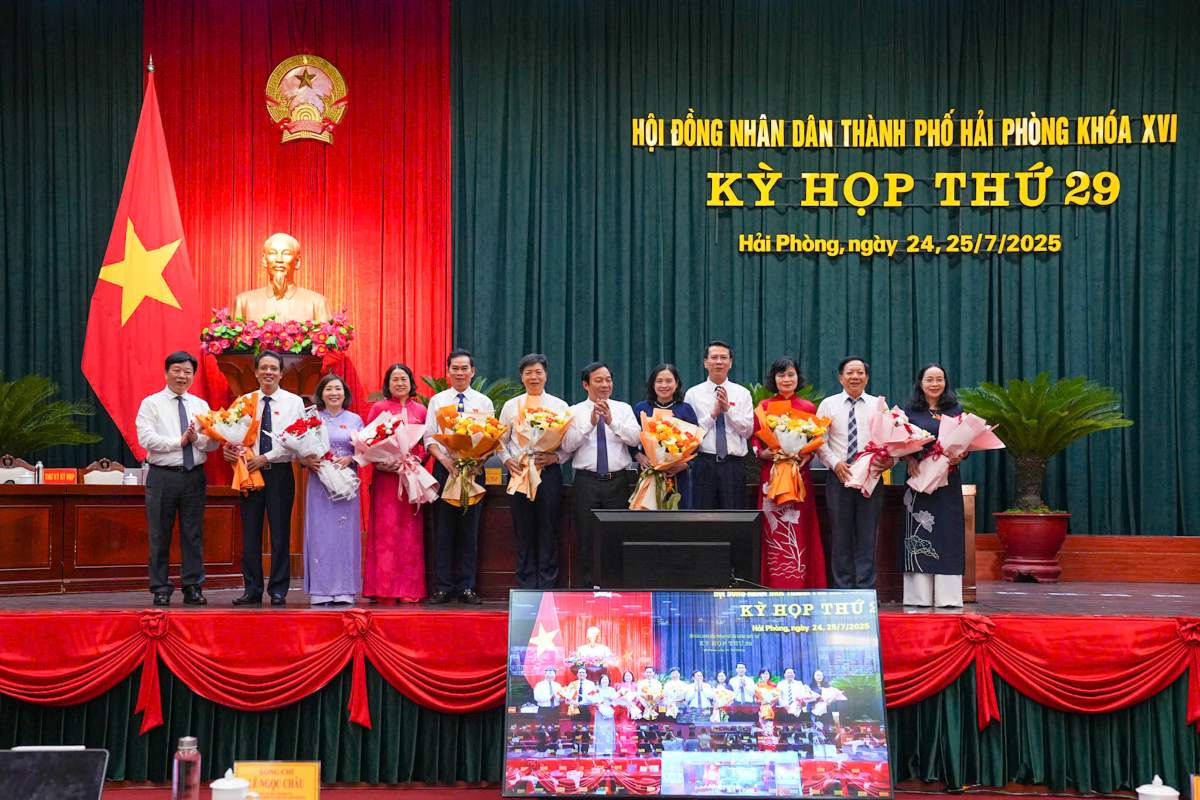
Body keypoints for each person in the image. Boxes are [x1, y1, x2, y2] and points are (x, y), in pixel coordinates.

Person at [135, 351, 218, 606]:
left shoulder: (201, 406)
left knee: (193, 534)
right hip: (163, 476)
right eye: (177, 370)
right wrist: (178, 442)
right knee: (159, 534)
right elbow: (146, 439)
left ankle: (193, 587)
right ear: (166, 372)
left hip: (194, 476)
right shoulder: (151, 403)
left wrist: (197, 439)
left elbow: (213, 442)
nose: (182, 376)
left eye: (187, 372)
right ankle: (160, 587)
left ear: (193, 375)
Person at [228, 350, 305, 606]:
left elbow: (297, 440)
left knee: (280, 534)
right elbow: (231, 434)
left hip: (280, 474)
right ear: (256, 372)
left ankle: (279, 590)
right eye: (264, 368)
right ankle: (251, 590)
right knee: (250, 534)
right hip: (249, 473)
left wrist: (266, 457)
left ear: (281, 373)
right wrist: (230, 450)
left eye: (274, 368)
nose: (268, 372)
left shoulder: (294, 402)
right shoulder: (244, 401)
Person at [816, 356, 894, 589]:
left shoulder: (879, 405)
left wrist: (889, 460)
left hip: (870, 477)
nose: (855, 377)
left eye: (860, 372)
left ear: (867, 378)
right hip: (839, 476)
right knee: (840, 534)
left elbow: (892, 439)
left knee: (867, 534)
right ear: (841, 377)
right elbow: (819, 439)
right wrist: (835, 463)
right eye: (850, 372)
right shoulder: (828, 405)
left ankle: (865, 589)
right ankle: (843, 588)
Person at [423, 348, 494, 604]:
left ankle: (467, 587)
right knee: (444, 530)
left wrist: (478, 461)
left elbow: (491, 438)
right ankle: (443, 587)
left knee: (469, 531)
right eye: (455, 368)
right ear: (448, 371)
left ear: (473, 371)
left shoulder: (484, 402)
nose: (460, 373)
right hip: (445, 470)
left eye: (465, 368)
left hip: (473, 471)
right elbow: (429, 438)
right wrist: (445, 460)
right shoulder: (438, 401)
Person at [561, 362, 640, 587]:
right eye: (598, 380)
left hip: (618, 481)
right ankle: (587, 588)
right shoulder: (574, 411)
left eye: (608, 380)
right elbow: (567, 445)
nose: (605, 384)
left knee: (616, 536)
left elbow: (635, 439)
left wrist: (612, 421)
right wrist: (590, 423)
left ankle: (615, 585)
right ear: (586, 385)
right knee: (586, 537)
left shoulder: (623, 409)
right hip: (586, 482)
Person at [753, 356, 828, 588]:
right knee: (771, 526)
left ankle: (802, 582)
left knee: (800, 526)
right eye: (781, 375)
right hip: (772, 474)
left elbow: (815, 443)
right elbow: (755, 440)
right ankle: (772, 582)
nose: (786, 379)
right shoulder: (764, 407)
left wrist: (807, 455)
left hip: (799, 475)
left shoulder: (808, 408)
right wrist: (763, 453)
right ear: (773, 379)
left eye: (790, 374)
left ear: (798, 377)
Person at [500, 354, 570, 589]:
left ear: (546, 375)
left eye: (538, 372)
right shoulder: (511, 406)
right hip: (519, 472)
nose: (534, 377)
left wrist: (556, 457)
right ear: (522, 377)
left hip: (547, 472)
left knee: (549, 527)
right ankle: (526, 582)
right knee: (523, 528)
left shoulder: (559, 406)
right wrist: (507, 460)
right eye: (528, 373)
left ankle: (548, 582)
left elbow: (569, 443)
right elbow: (500, 440)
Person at [901, 363, 966, 607]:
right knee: (918, 531)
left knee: (948, 532)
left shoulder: (956, 410)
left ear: (945, 382)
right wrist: (908, 458)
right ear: (920, 383)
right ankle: (918, 596)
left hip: (948, 478)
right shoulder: (909, 411)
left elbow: (966, 441)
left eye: (939, 379)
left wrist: (961, 454)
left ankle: (948, 597)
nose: (935, 383)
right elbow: (898, 442)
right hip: (918, 477)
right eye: (929, 379)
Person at [364, 363, 428, 603]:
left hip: (411, 477)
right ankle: (384, 589)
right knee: (386, 533)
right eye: (395, 379)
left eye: (404, 379)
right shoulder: (379, 408)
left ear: (411, 383)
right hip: (386, 480)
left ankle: (409, 589)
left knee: (410, 534)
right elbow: (368, 441)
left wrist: (416, 459)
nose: (400, 383)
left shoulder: (420, 410)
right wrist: (381, 462)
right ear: (387, 384)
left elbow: (426, 444)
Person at [300, 374, 362, 606]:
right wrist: (306, 460)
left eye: (338, 389)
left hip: (346, 485)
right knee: (320, 534)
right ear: (321, 394)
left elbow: (366, 449)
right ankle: (321, 589)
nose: (334, 393)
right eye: (329, 389)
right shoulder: (312, 418)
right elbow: (298, 449)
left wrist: (351, 458)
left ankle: (345, 589)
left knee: (345, 536)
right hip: (319, 483)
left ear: (345, 393)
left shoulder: (355, 419)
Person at [684, 340, 754, 509]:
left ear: (730, 363)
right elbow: (688, 435)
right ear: (705, 362)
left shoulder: (742, 393)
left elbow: (748, 431)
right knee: (703, 516)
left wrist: (728, 410)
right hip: (704, 463)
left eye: (723, 358)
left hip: (733, 465)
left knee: (734, 515)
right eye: (714, 357)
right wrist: (713, 415)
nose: (719, 362)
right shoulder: (693, 394)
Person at [632, 363, 699, 509]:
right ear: (652, 384)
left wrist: (684, 464)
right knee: (649, 515)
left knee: (678, 514)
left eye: (669, 381)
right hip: (650, 472)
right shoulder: (641, 408)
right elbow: (630, 440)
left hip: (678, 475)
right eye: (659, 381)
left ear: (677, 383)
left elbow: (696, 444)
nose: (664, 385)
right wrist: (639, 456)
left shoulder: (686, 409)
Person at [234, 232, 331, 321]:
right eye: (272, 253)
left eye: (286, 254)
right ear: (264, 260)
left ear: (297, 262)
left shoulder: (317, 303)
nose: (279, 260)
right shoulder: (244, 302)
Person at [592, 674, 618, 757]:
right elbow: (593, 699)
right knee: (600, 730)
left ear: (609, 681)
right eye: (603, 679)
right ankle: (600, 750)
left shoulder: (612, 690)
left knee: (608, 730)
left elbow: (615, 701)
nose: (604, 681)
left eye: (606, 679)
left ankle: (609, 749)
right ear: (600, 681)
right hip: (599, 712)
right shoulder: (596, 689)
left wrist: (611, 704)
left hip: (609, 711)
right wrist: (599, 706)